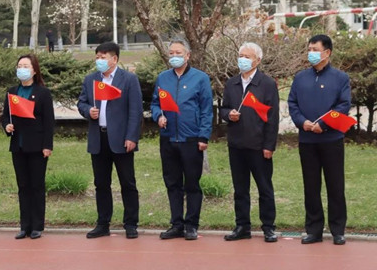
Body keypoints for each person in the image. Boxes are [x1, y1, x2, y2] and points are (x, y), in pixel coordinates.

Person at [288, 34, 351, 246]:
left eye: (315, 49)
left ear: (327, 52)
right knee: (311, 186)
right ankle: (314, 230)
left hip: (332, 139)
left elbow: (343, 105)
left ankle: (337, 230)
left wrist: (323, 124)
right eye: (309, 49)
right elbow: (292, 103)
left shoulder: (340, 78)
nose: (311, 53)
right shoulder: (300, 78)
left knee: (335, 185)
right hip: (307, 140)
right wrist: (303, 122)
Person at [77, 42, 143, 239]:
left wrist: (132, 137)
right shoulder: (91, 79)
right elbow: (81, 102)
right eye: (97, 57)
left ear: (114, 59)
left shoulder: (128, 79)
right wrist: (88, 111)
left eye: (103, 57)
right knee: (101, 183)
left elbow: (135, 111)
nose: (99, 61)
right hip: (99, 138)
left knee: (127, 183)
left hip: (121, 139)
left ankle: (130, 224)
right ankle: (103, 223)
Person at [150, 38, 213, 241]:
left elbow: (206, 109)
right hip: (168, 138)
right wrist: (158, 116)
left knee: (192, 184)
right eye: (171, 53)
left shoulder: (200, 78)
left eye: (178, 53)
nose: (174, 56)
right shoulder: (163, 78)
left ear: (187, 55)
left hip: (191, 139)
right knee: (172, 183)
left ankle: (191, 225)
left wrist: (203, 136)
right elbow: (155, 103)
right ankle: (176, 224)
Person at [220, 43, 279, 243]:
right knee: (240, 189)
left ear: (257, 60)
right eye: (240, 55)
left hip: (259, 146)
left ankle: (268, 227)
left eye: (247, 56)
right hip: (237, 145)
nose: (242, 59)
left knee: (265, 188)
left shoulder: (267, 84)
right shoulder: (232, 83)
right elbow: (223, 109)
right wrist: (229, 114)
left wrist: (269, 146)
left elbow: (272, 117)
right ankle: (242, 226)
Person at [1, 54, 54, 239]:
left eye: (26, 66)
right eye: (19, 66)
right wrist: (7, 126)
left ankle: (37, 226)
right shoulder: (12, 92)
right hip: (18, 145)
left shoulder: (43, 93)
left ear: (34, 70)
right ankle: (25, 226)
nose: (22, 69)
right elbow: (5, 116)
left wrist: (47, 145)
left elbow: (49, 122)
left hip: (37, 146)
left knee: (37, 185)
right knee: (23, 186)